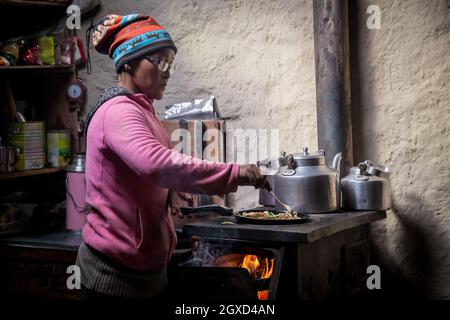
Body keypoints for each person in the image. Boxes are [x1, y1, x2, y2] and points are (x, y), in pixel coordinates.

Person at [76, 13, 268, 301]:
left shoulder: (143, 111)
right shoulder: (119, 111)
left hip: (147, 274)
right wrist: (234, 173)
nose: (167, 73)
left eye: (170, 65)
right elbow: (157, 164)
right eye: (160, 62)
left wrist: (171, 194)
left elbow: (143, 172)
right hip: (114, 279)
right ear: (128, 63)